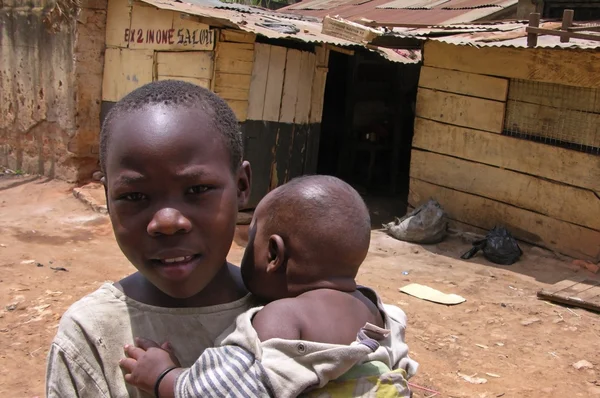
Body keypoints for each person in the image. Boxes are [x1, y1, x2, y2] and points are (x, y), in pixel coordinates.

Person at [120, 175, 418, 398]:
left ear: (274, 254)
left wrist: (165, 377)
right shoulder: (377, 312)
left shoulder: (283, 317)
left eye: (252, 239)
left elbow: (224, 391)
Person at [45, 80, 254, 397]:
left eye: (197, 190)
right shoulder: (91, 334)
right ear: (107, 198)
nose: (167, 222)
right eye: (135, 196)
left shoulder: (289, 314)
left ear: (241, 187)